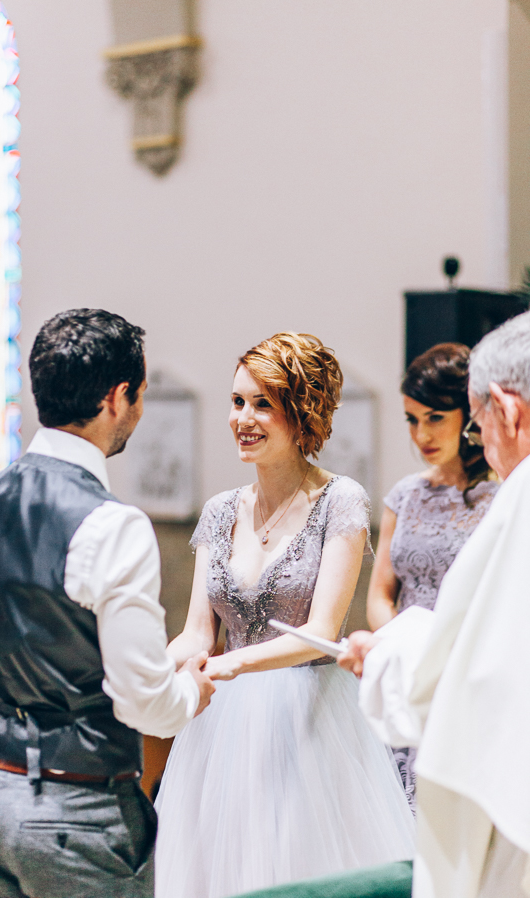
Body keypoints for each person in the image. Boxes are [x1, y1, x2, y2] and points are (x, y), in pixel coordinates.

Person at [0, 309, 215, 898]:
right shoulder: (113, 526)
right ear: (117, 398)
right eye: (139, 395)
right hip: (78, 810)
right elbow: (142, 701)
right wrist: (191, 692)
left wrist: (24, 669)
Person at [154, 333, 415, 898]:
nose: (242, 418)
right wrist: (148, 667)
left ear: (302, 413)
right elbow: (198, 633)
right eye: (237, 401)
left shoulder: (340, 502)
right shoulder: (221, 510)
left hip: (309, 719)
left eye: (262, 404)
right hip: (219, 726)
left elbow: (321, 632)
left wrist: (232, 665)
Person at [338, 311, 530, 898]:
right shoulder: (408, 494)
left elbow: (489, 662)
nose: (482, 444)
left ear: (507, 408)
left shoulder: (515, 500)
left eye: (476, 425)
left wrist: (389, 650)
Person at [366, 344, 498, 809]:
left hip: (466, 674)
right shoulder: (404, 494)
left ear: (469, 413)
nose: (421, 433)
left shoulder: (501, 496)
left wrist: (439, 654)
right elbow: (381, 596)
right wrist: (402, 646)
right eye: (411, 419)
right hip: (407, 674)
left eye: (436, 417)